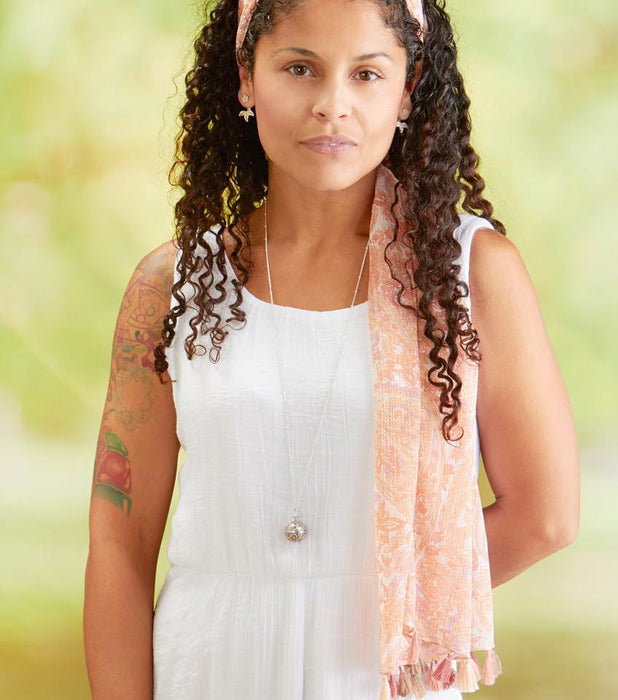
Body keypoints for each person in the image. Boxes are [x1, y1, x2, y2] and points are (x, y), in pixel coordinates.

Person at [83, 0, 580, 698]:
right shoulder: (174, 284)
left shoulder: (468, 273)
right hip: (206, 666)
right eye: (299, 68)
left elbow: (545, 516)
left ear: (407, 91)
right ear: (246, 78)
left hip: (373, 672)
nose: (331, 105)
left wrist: (373, 598)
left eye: (367, 74)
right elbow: (120, 544)